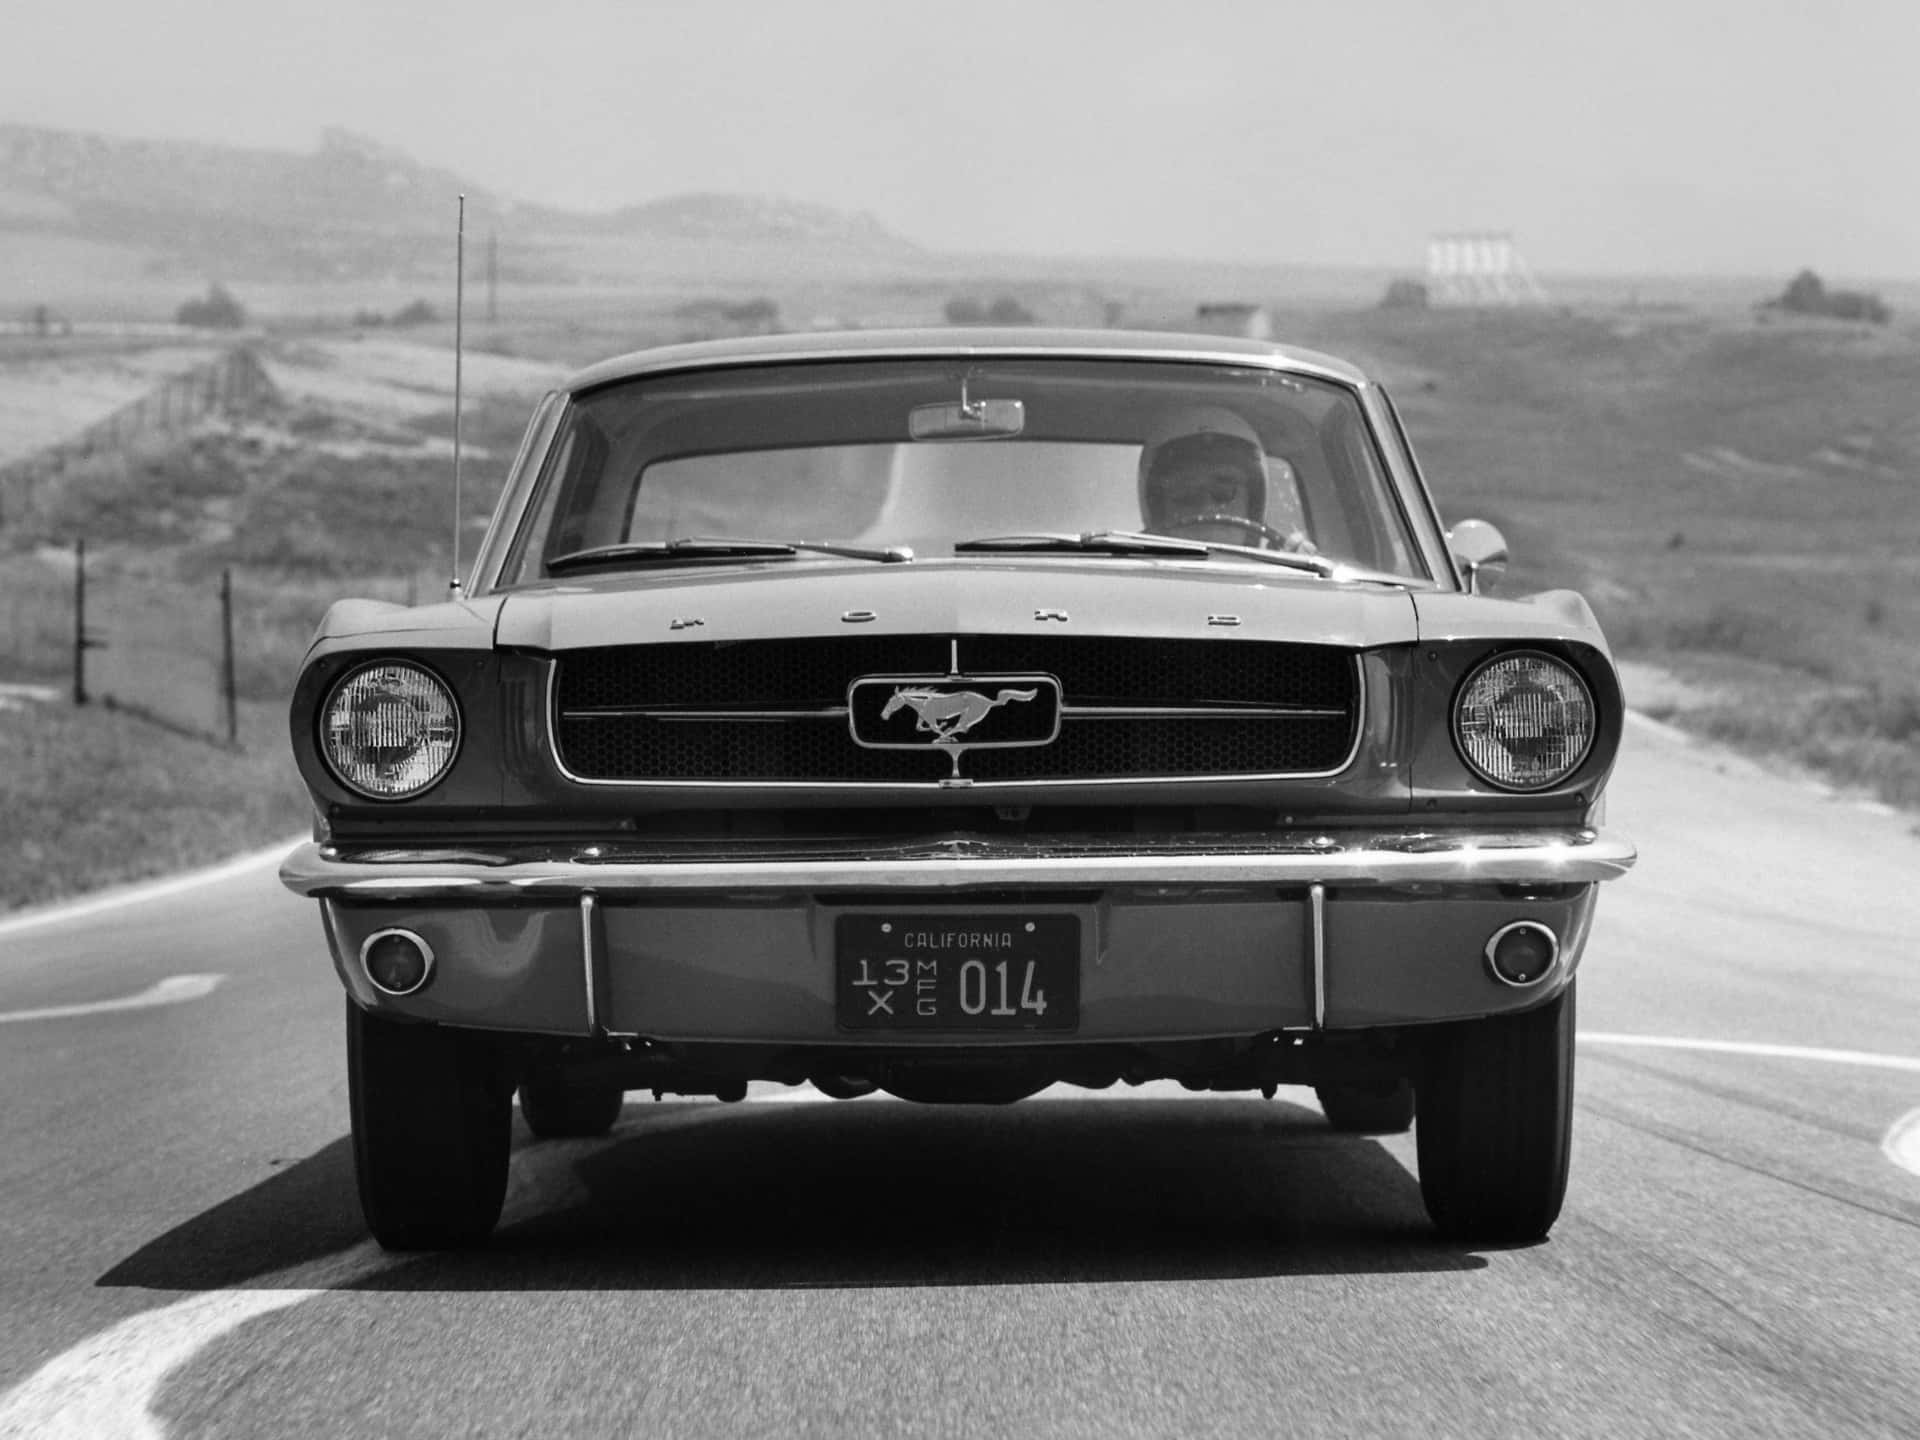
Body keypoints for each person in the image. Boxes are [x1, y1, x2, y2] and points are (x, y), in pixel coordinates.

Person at [1136, 406, 1314, 551]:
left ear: (1253, 503)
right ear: (1158, 508)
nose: (1207, 508)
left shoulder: (1288, 586)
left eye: (1224, 493)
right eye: (1186, 493)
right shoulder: (1128, 585)